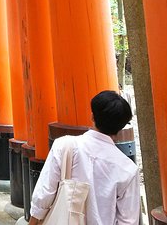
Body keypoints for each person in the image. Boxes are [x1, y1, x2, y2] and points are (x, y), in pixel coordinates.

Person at [29, 90, 140, 225]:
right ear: (122, 126)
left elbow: (44, 194)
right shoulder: (128, 169)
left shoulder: (64, 145)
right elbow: (128, 220)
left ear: (92, 117)